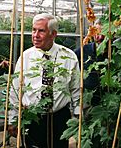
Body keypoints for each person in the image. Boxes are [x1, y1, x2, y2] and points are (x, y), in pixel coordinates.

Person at [8, 14, 80, 148]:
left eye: (41, 31)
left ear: (53, 34)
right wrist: (13, 119)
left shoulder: (68, 56)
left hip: (59, 117)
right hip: (32, 117)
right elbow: (15, 90)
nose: (35, 35)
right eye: (34, 30)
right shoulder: (26, 57)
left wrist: (77, 116)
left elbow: (76, 89)